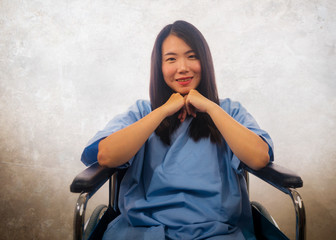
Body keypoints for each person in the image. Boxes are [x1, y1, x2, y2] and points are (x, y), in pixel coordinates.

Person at [81, 20, 274, 240]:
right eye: (171, 59)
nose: (183, 67)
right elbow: (106, 155)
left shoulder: (230, 111)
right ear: (159, 67)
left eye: (192, 56)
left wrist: (211, 107)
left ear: (205, 61)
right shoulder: (142, 112)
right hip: (143, 230)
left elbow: (259, 158)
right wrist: (163, 110)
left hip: (216, 231)